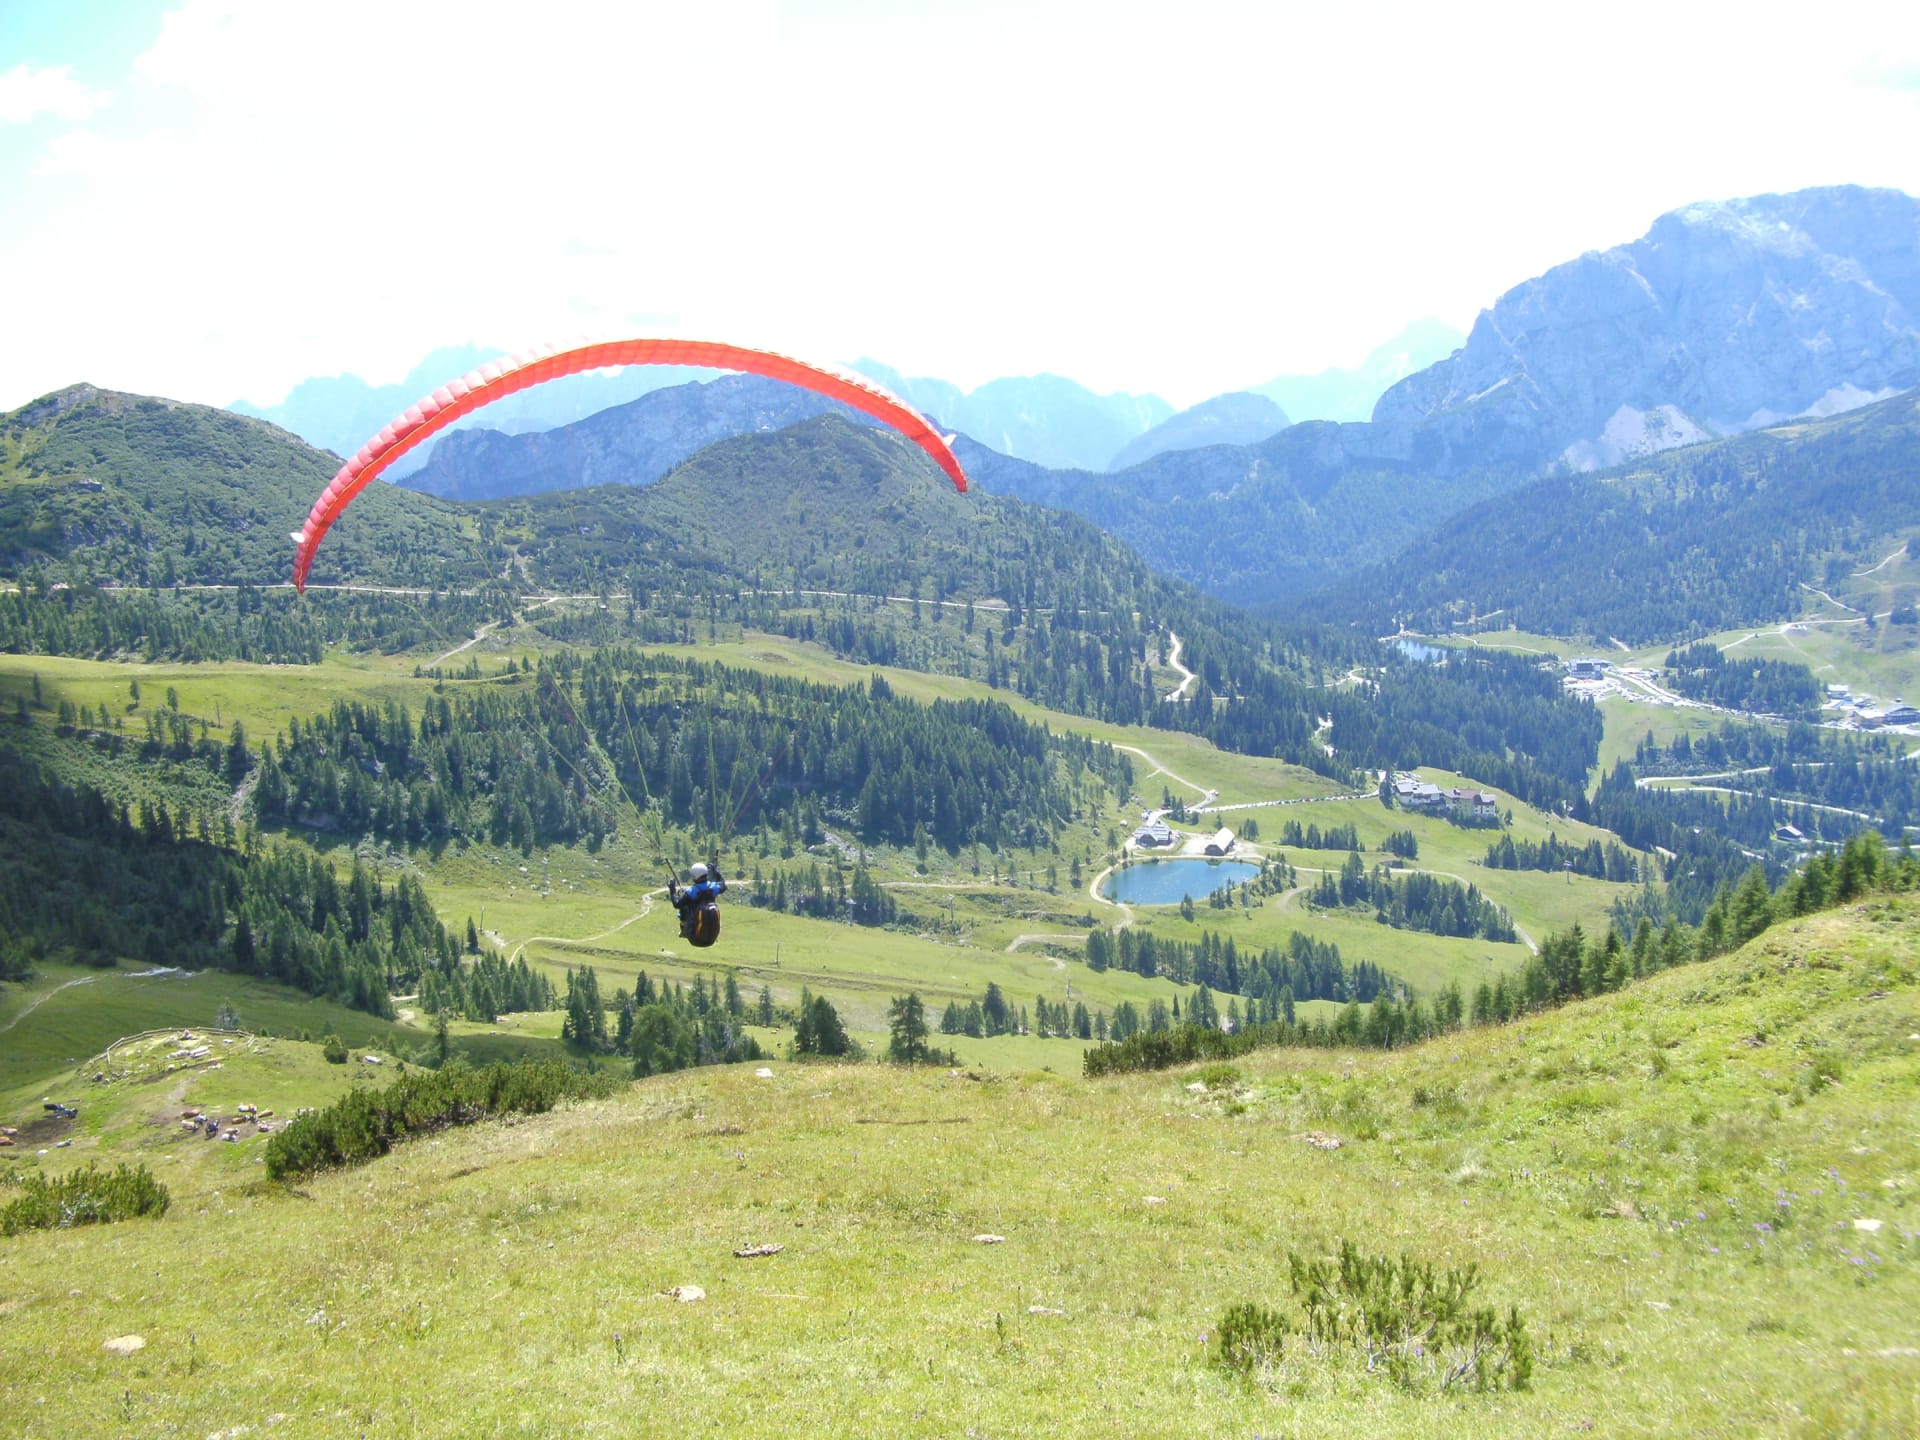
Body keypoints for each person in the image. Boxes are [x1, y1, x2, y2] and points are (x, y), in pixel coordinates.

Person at [668, 861, 726, 947]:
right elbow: (723, 885)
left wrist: (672, 891)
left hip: (695, 938)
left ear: (694, 876)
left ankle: (684, 929)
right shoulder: (713, 887)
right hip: (711, 939)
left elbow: (677, 904)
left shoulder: (691, 891)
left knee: (684, 907)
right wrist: (716, 872)